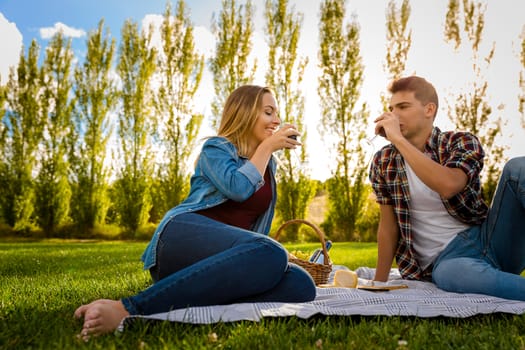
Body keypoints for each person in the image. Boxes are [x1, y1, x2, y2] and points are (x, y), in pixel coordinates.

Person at [74, 85, 316, 339]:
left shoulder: (269, 166)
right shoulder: (217, 149)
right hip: (181, 238)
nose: (277, 120)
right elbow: (238, 188)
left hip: (221, 258)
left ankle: (191, 294)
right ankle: (128, 308)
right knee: (272, 251)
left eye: (276, 113)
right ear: (245, 113)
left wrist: (260, 257)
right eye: (268, 112)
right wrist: (266, 147)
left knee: (301, 285)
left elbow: (253, 231)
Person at [369, 75, 525, 301]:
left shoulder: (459, 142)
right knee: (450, 275)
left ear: (429, 109)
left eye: (403, 107)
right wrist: (379, 283)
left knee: (518, 167)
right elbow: (388, 226)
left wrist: (399, 141)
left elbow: (449, 185)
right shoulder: (383, 161)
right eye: (391, 108)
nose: (393, 115)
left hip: (489, 239)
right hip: (448, 262)